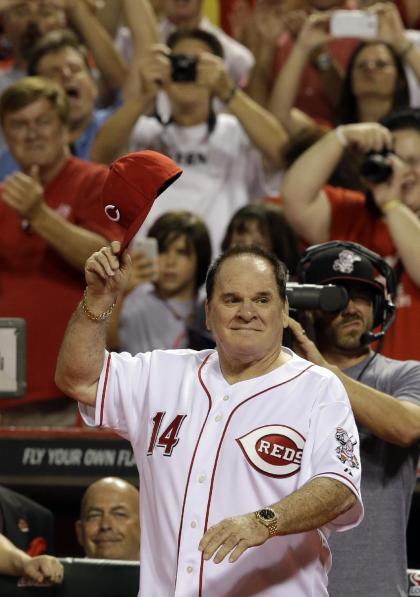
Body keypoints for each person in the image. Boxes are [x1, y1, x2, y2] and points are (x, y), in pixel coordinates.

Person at [55, 240, 363, 596]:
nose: (247, 312)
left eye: (262, 299)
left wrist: (266, 521)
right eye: (232, 299)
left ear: (283, 312)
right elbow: (78, 379)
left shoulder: (318, 388)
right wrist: (97, 299)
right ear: (207, 312)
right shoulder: (161, 373)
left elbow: (339, 488)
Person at [288, 240, 420, 597]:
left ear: (380, 307)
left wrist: (324, 371)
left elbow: (407, 427)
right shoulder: (281, 380)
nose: (350, 308)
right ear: (307, 307)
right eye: (336, 296)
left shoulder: (404, 376)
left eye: (362, 296)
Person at [92, 28, 287, 252]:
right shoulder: (144, 131)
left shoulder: (237, 131)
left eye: (199, 64)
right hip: (149, 275)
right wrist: (144, 96)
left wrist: (228, 92)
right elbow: (99, 155)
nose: (187, 68)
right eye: (178, 61)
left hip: (221, 274)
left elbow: (282, 153)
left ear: (219, 71)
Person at [0, 76, 121, 426]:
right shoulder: (6, 199)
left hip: (69, 393)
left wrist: (39, 215)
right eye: (19, 125)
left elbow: (106, 259)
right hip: (9, 393)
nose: (32, 133)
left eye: (43, 121)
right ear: (7, 138)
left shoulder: (95, 181)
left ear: (66, 129)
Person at [281, 113, 420, 361]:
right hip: (347, 386)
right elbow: (294, 198)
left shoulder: (390, 206)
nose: (403, 171)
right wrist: (340, 137)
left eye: (413, 161)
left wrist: (392, 204)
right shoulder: (351, 212)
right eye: (393, 159)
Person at [0, 29, 119, 180]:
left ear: (94, 84)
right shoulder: (4, 167)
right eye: (53, 73)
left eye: (75, 69)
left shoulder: (129, 129)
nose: (66, 75)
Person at [109, 210, 212, 354]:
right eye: (163, 251)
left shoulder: (212, 306)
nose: (170, 261)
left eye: (181, 252)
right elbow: (107, 347)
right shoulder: (135, 301)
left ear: (199, 260)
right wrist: (118, 293)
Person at [76, 477, 140, 561]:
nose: (105, 525)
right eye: (95, 516)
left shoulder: (161, 573)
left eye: (119, 514)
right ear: (80, 532)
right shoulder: (64, 574)